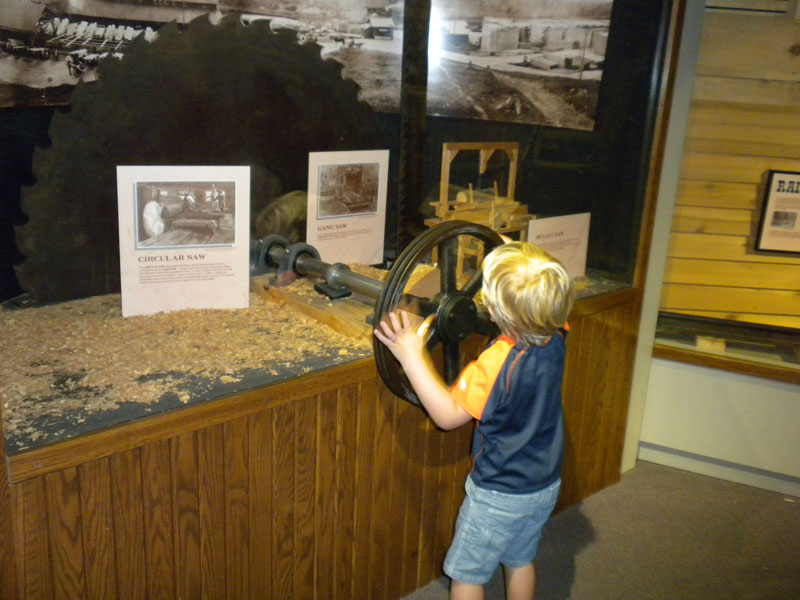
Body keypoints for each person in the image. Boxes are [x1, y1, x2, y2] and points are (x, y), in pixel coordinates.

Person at [373, 241, 576, 600]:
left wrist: (411, 355)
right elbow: (540, 295)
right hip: (544, 484)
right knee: (520, 559)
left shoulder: (495, 363)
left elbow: (448, 416)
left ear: (497, 313)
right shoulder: (557, 333)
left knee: (467, 574)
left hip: (499, 493)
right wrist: (518, 259)